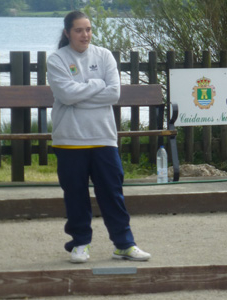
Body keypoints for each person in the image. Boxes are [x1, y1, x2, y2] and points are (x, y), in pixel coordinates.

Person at [47, 11, 151, 263]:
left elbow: (113, 94)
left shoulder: (104, 56)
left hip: (103, 137)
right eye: (79, 30)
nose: (85, 35)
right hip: (70, 139)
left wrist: (79, 95)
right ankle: (80, 243)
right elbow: (66, 95)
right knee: (75, 195)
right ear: (67, 33)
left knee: (112, 192)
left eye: (88, 29)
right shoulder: (57, 60)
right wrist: (95, 85)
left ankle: (124, 244)